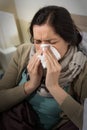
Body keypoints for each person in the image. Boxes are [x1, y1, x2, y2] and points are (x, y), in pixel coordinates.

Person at [0, 5, 87, 130]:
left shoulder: (82, 68)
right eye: (37, 41)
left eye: (51, 42)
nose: (43, 49)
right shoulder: (23, 52)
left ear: (68, 39)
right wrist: (30, 85)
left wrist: (54, 87)